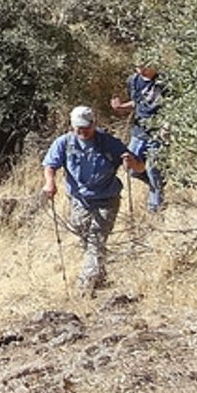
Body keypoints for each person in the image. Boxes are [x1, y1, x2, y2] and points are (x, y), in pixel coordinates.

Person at [43, 104, 144, 293]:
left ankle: (85, 287)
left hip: (107, 198)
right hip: (79, 201)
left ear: (94, 124)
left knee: (96, 240)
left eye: (87, 127)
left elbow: (139, 168)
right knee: (83, 235)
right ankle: (100, 274)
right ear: (72, 126)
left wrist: (131, 163)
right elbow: (50, 165)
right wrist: (50, 183)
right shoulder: (64, 143)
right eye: (79, 127)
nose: (83, 131)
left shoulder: (109, 143)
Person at [111, 61, 167, 212]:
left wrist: (166, 127)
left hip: (157, 133)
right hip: (139, 132)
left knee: (153, 168)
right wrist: (122, 107)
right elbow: (137, 103)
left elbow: (174, 107)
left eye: (144, 66)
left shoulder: (164, 83)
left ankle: (156, 207)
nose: (140, 70)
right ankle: (156, 184)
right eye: (137, 67)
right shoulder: (133, 81)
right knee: (131, 167)